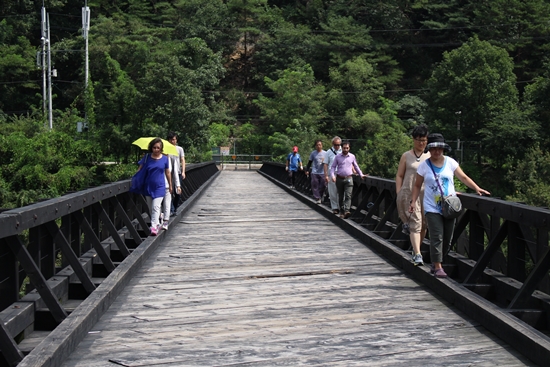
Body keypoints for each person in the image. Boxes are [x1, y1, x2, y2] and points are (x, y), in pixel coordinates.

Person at [409, 133, 490, 278]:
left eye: (440, 149)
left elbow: (463, 177)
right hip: (431, 207)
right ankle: (438, 266)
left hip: (449, 206)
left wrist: (477, 188)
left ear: (444, 149)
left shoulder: (451, 162)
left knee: (448, 238)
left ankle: (436, 263)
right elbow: (417, 185)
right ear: (429, 150)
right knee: (437, 236)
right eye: (434, 149)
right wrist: (413, 202)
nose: (437, 152)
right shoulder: (424, 166)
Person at [395, 124, 430, 266]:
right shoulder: (406, 156)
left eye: (424, 140)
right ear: (413, 140)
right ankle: (417, 254)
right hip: (410, 193)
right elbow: (399, 175)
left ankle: (417, 250)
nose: (421, 143)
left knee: (424, 225)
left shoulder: (430, 155)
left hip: (426, 194)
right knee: (415, 223)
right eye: (419, 140)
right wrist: (399, 192)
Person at [137, 138, 172, 236]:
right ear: (151, 148)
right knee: (151, 208)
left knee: (156, 206)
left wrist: (170, 185)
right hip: (148, 186)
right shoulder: (147, 157)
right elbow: (140, 168)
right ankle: (158, 219)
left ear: (161, 149)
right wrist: (136, 178)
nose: (156, 150)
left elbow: (168, 172)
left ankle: (154, 226)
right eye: (154, 147)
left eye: (158, 148)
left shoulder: (165, 159)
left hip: (160, 186)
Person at [329, 140, 367, 218]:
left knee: (348, 195)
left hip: (349, 178)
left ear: (349, 148)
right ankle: (342, 211)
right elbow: (333, 167)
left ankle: (347, 210)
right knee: (340, 196)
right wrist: (332, 175)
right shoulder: (338, 157)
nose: (345, 150)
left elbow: (356, 166)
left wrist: (361, 174)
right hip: (339, 178)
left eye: (347, 148)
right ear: (341, 148)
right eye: (344, 148)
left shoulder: (352, 156)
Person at [160, 153, 181, 230]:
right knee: (157, 204)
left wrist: (178, 185)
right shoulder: (157, 159)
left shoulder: (172, 159)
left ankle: (165, 221)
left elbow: (175, 173)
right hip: (157, 185)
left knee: (167, 203)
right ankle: (160, 217)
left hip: (167, 184)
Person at [168, 132, 185, 214]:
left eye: (174, 139)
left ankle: (174, 207)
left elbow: (182, 160)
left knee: (178, 192)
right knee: (169, 192)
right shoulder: (165, 149)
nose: (172, 141)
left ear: (176, 140)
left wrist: (183, 172)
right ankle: (171, 209)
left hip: (177, 172)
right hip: (168, 173)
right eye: (171, 139)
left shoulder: (179, 149)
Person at [324, 136, 342, 214]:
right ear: (332, 144)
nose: (337, 146)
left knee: (341, 192)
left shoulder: (343, 151)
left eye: (338, 145)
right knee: (332, 192)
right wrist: (326, 176)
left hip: (341, 173)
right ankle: (335, 208)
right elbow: (325, 164)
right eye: (335, 145)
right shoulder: (328, 152)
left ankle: (341, 206)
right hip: (332, 173)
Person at [305, 140, 326, 204]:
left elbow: (328, 163)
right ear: (315, 146)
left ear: (322, 145)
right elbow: (309, 162)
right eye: (317, 145)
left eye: (320, 145)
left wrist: (324, 161)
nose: (318, 146)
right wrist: (307, 170)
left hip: (322, 172)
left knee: (323, 185)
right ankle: (318, 198)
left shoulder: (325, 153)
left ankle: (321, 195)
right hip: (315, 172)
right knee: (314, 185)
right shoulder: (313, 153)